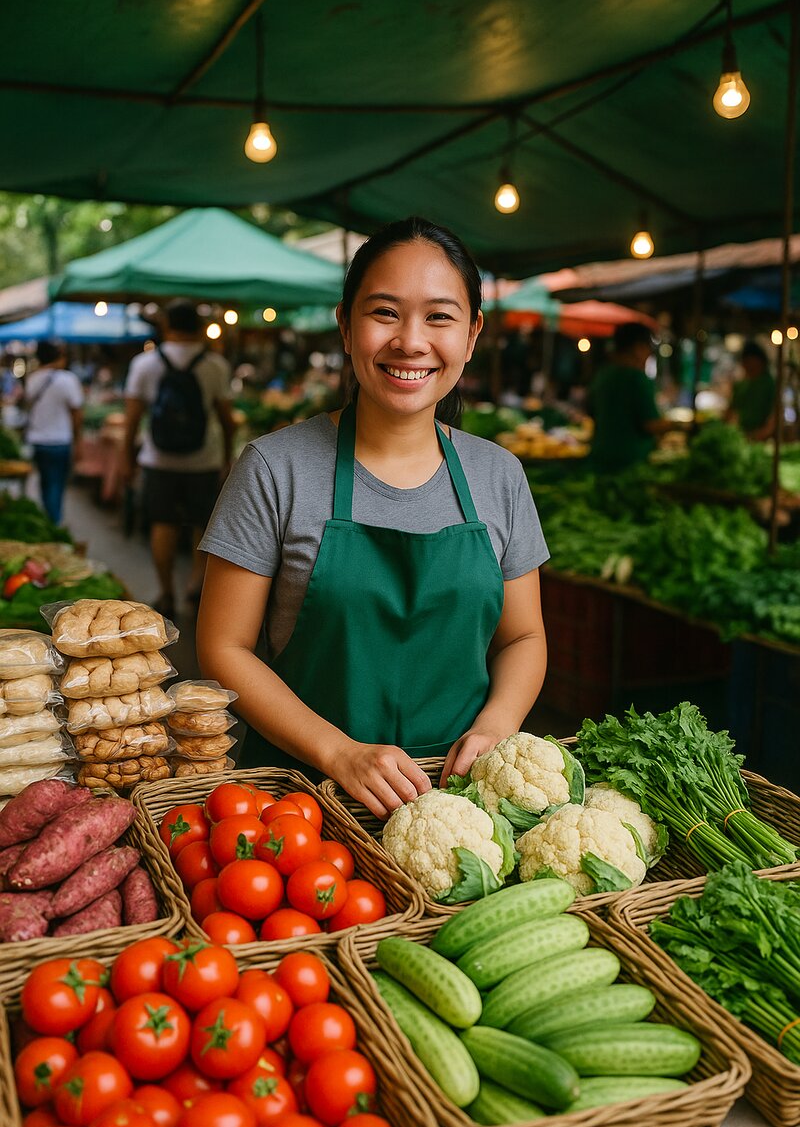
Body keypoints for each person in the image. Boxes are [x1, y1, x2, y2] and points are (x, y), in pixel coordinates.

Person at [197, 217, 549, 818]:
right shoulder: (273, 468)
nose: (411, 341)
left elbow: (523, 636)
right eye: (384, 312)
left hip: (459, 805)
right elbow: (223, 647)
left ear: (472, 335)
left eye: (439, 316)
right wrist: (340, 753)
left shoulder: (500, 475)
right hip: (300, 805)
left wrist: (494, 731)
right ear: (345, 324)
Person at [123, 299, 237, 620]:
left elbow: (132, 419)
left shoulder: (144, 364)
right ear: (199, 328)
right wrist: (227, 457)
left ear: (166, 326)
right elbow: (227, 419)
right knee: (203, 524)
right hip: (204, 460)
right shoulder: (215, 364)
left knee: (163, 524)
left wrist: (126, 460)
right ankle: (195, 582)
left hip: (158, 460)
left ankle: (166, 592)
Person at [587, 322, 677, 472]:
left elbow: (591, 410)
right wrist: (678, 426)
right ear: (638, 348)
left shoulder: (602, 375)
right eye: (648, 348)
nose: (648, 354)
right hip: (629, 464)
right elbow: (651, 424)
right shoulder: (637, 379)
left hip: (599, 457)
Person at [25, 341, 84, 525]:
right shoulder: (67, 380)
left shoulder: (32, 379)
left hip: (37, 440)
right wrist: (78, 440)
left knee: (45, 482)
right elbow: (77, 413)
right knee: (56, 484)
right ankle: (54, 524)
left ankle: (49, 518)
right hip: (60, 441)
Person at [727, 340, 776, 442]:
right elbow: (730, 411)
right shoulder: (742, 385)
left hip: (764, 439)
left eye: (751, 363)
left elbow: (775, 416)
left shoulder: (769, 384)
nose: (748, 366)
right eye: (746, 363)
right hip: (742, 436)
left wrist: (759, 435)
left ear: (761, 362)